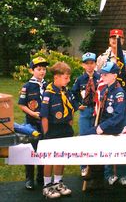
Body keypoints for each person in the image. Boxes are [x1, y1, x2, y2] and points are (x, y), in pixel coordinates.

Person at [40, 62, 77, 199]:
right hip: (52, 130)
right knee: (50, 158)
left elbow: (70, 107)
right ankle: (46, 186)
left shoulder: (64, 91)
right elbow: (44, 117)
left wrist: (70, 122)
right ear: (56, 77)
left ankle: (58, 183)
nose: (68, 80)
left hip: (65, 129)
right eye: (66, 78)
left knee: (61, 156)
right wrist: (46, 135)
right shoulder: (48, 94)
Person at [94, 62, 126, 186]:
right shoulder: (105, 90)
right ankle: (109, 174)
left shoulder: (119, 92)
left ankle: (123, 174)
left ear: (114, 75)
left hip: (118, 127)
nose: (102, 77)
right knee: (108, 150)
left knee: (121, 150)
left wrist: (102, 126)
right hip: (108, 125)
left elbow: (119, 115)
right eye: (102, 74)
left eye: (105, 74)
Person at [18, 56, 48, 190]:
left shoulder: (48, 85)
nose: (42, 72)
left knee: (43, 150)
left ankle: (40, 176)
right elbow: (21, 105)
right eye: (39, 69)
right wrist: (32, 113)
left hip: (45, 124)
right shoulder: (27, 86)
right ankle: (29, 178)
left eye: (44, 69)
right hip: (32, 123)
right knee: (31, 150)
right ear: (32, 71)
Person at [71, 52, 100, 176]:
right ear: (83, 65)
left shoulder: (100, 78)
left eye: (91, 63)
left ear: (95, 64)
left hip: (97, 111)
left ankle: (95, 166)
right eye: (86, 64)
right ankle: (83, 166)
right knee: (83, 137)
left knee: (96, 137)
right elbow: (73, 94)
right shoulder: (80, 80)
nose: (89, 66)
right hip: (85, 111)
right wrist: (77, 105)